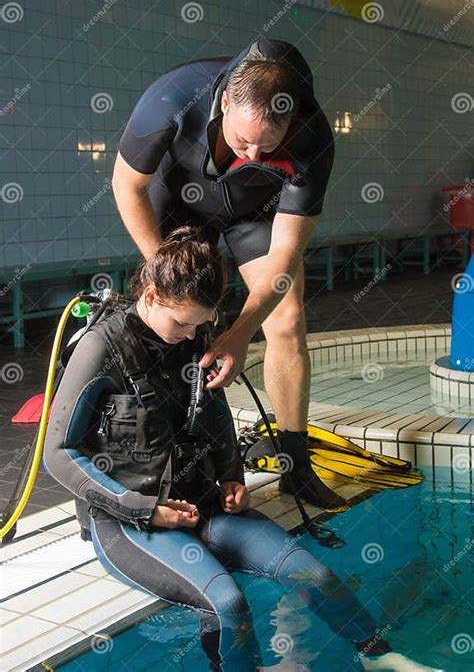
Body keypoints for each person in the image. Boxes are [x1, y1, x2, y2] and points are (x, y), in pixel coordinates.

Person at [43, 226, 442, 672]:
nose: (192, 334)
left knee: (315, 573)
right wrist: (143, 509)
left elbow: (212, 410)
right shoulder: (101, 348)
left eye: (201, 324)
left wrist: (231, 474)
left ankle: (378, 656)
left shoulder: (193, 337)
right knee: (228, 604)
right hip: (130, 524)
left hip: (203, 506)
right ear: (152, 295)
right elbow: (57, 453)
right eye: (183, 323)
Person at [111, 37, 342, 508]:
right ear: (223, 102)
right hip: (177, 203)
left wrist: (240, 332)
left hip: (255, 214)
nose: (252, 156)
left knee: (288, 319)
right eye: (241, 141)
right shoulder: (172, 99)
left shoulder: (313, 139)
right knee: (170, 319)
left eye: (267, 147)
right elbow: (126, 185)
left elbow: (284, 256)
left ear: (292, 120)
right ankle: (161, 457)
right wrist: (163, 268)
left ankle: (294, 467)